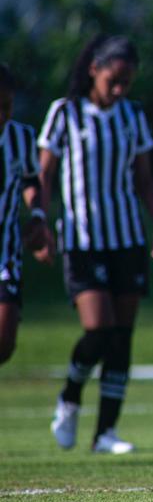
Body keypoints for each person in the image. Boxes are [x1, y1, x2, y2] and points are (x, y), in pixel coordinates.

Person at [40, 35, 153, 454]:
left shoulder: (132, 115)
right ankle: (70, 397)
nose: (120, 89)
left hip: (127, 238)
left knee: (122, 336)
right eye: (114, 79)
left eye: (127, 83)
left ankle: (105, 433)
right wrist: (41, 222)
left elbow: (144, 179)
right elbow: (44, 174)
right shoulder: (65, 113)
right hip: (82, 239)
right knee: (97, 330)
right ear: (94, 68)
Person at [0, 64, 54, 366]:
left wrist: (37, 216)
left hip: (6, 253)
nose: (1, 116)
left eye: (6, 107)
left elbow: (31, 179)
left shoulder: (20, 138)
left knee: (5, 343)